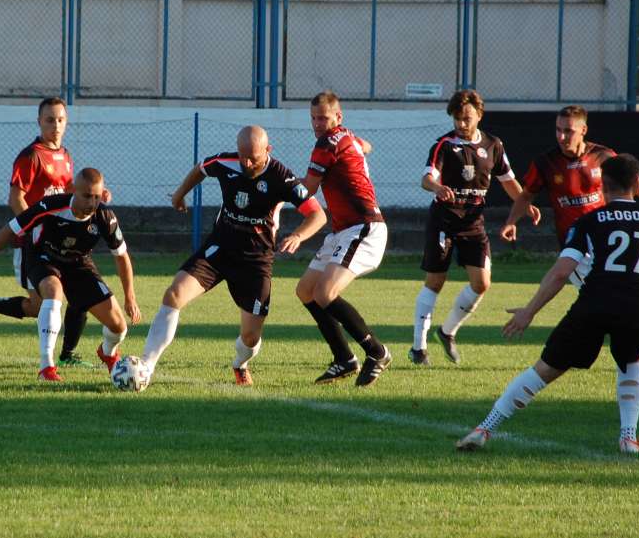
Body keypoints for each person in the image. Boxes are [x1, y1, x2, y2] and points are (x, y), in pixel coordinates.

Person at [456, 154, 639, 454]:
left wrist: (529, 311)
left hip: (595, 303)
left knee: (545, 369)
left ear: (603, 185)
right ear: (636, 184)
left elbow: (561, 273)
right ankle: (628, 437)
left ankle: (485, 428)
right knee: (631, 360)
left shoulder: (589, 222)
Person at [140, 126, 325, 387]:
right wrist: (180, 194)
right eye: (243, 156)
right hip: (220, 248)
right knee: (174, 294)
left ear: (268, 151)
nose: (247, 163)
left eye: (254, 158)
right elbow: (201, 169)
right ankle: (146, 366)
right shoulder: (226, 162)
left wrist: (297, 236)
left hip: (256, 260)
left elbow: (318, 215)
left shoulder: (281, 178)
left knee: (250, 337)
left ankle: (240, 363)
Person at [501, 105, 639, 356]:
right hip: (578, 248)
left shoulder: (603, 156)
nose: (562, 137)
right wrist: (512, 221)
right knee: (611, 300)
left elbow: (632, 180)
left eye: (568, 131)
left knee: (611, 302)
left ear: (583, 130)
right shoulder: (546, 163)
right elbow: (526, 195)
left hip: (608, 239)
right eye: (558, 130)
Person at [0, 168, 142, 382]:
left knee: (118, 326)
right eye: (87, 196)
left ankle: (108, 354)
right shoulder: (50, 207)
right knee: (53, 293)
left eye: (97, 197)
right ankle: (47, 368)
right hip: (41, 256)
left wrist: (130, 297)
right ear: (73, 190)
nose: (92, 202)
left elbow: (121, 256)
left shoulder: (104, 217)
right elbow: (9, 230)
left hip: (78, 263)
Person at [408, 89, 539, 366]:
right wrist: (438, 187)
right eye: (457, 119)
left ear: (479, 115)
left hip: (472, 222)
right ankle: (418, 349)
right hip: (443, 220)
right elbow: (426, 178)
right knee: (435, 281)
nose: (461, 124)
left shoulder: (493, 145)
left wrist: (524, 204)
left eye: (466, 118)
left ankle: (447, 332)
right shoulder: (444, 145)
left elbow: (508, 180)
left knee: (481, 283)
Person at [0, 97, 94, 367]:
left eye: (61, 120)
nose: (56, 125)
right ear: (39, 122)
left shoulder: (66, 155)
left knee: (70, 296)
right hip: (33, 244)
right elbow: (16, 198)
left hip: (59, 242)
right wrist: (33, 228)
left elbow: (66, 193)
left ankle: (66, 355)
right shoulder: (31, 156)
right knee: (42, 307)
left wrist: (92, 195)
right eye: (50, 120)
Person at [296, 90, 392, 387]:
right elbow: (367, 145)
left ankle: (376, 352)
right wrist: (359, 148)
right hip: (344, 230)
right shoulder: (345, 136)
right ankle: (344, 359)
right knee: (307, 291)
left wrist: (272, 186)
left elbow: (307, 190)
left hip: (363, 227)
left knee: (325, 294)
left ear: (338, 117)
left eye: (323, 118)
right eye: (313, 118)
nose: (317, 124)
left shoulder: (326, 143)